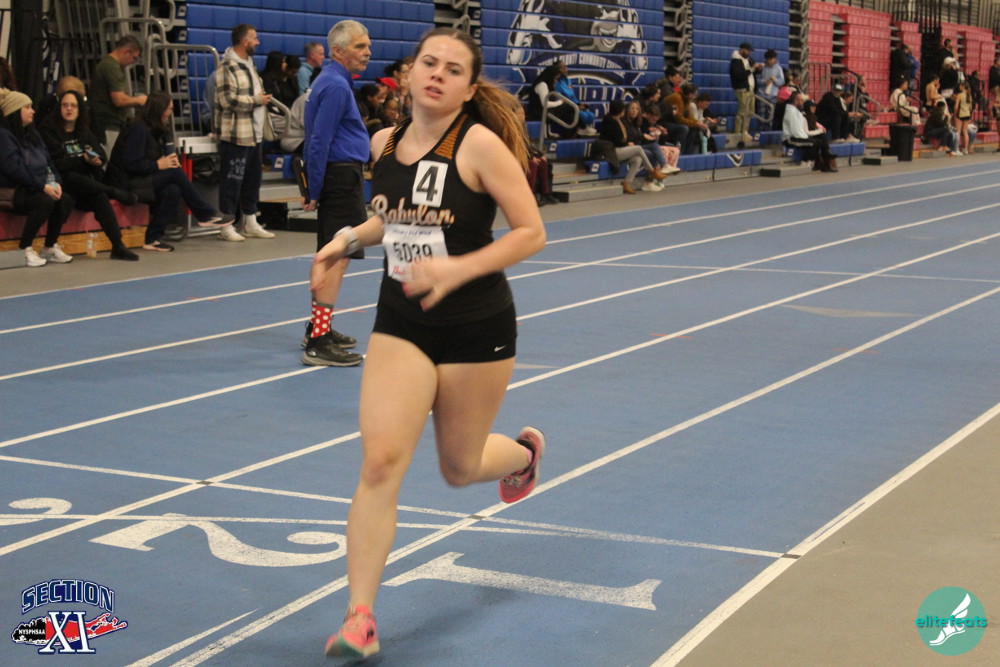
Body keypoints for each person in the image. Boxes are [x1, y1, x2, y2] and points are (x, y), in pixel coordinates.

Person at [318, 27, 546, 660]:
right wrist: (347, 239)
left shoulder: (479, 146)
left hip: (476, 327)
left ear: (469, 88)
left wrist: (455, 269)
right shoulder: (383, 142)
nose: (437, 74)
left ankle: (523, 457)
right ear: (411, 73)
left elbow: (530, 232)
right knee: (380, 462)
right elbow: (393, 217)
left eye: (453, 69)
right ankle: (360, 618)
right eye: (429, 62)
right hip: (403, 321)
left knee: (458, 468)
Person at [300, 20, 372, 367]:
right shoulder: (335, 86)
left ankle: (319, 328)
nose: (368, 52)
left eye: (368, 45)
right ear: (338, 51)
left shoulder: (331, 81)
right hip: (340, 177)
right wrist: (313, 187)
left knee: (336, 254)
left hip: (341, 175)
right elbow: (319, 140)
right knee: (336, 256)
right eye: (360, 46)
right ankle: (318, 341)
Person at [108, 92, 230, 251]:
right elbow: (131, 163)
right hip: (124, 183)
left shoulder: (156, 130)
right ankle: (205, 213)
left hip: (141, 178)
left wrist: (165, 159)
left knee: (173, 189)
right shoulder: (138, 129)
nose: (171, 113)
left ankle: (153, 238)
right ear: (160, 110)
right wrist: (158, 165)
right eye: (169, 109)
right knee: (174, 173)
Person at [39, 90, 140, 261]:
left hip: (85, 187)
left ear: (80, 110)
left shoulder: (84, 131)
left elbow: (101, 155)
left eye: (73, 106)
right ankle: (113, 191)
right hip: (61, 184)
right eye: (65, 105)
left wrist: (96, 160)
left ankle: (118, 245)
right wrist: (83, 160)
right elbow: (58, 164)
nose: (69, 109)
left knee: (99, 196)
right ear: (59, 108)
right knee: (72, 177)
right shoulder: (48, 130)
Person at [214, 23, 276, 242]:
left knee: (252, 181)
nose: (258, 42)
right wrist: (255, 100)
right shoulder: (227, 66)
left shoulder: (249, 64)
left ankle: (250, 221)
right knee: (232, 181)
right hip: (236, 135)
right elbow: (226, 100)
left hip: (254, 134)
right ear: (244, 41)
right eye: (254, 38)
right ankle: (226, 225)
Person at [0, 90, 75, 267]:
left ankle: (49, 247)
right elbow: (15, 169)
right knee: (44, 201)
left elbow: (48, 163)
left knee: (64, 200)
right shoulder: (3, 136)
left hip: (33, 187)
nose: (32, 111)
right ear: (14, 111)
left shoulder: (33, 135)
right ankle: (25, 248)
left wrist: (55, 182)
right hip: (11, 191)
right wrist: (42, 186)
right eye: (27, 107)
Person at [89, 34, 148, 152]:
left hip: (106, 122)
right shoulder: (112, 68)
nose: (133, 62)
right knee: (110, 157)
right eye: (134, 58)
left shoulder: (109, 65)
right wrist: (140, 100)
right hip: (108, 123)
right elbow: (119, 100)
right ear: (127, 52)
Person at [598, 99, 666, 194]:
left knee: (637, 159)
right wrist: (627, 144)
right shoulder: (611, 122)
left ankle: (627, 183)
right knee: (638, 148)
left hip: (616, 149)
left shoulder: (617, 121)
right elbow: (616, 140)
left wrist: (626, 143)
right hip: (610, 152)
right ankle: (651, 170)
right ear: (620, 111)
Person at [782, 92, 837, 172]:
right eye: (801, 100)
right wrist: (807, 138)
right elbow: (796, 132)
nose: (803, 103)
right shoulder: (792, 112)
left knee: (819, 139)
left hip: (797, 136)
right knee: (815, 142)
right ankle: (805, 163)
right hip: (791, 139)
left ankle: (822, 161)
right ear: (796, 101)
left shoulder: (796, 112)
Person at [624, 99, 668, 190]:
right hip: (629, 147)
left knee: (653, 148)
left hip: (638, 146)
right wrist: (644, 135)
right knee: (651, 152)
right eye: (632, 108)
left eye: (636, 109)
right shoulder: (625, 122)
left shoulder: (636, 122)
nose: (634, 111)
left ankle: (651, 179)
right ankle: (653, 173)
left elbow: (639, 137)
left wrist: (653, 134)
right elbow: (629, 137)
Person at [729, 41, 762, 147]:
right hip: (742, 89)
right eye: (748, 51)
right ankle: (738, 133)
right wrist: (752, 69)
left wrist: (759, 69)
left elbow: (753, 72)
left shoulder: (749, 59)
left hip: (750, 90)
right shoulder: (735, 61)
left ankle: (745, 131)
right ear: (742, 49)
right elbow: (739, 75)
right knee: (742, 111)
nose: (749, 53)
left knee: (750, 112)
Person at [551, 61, 597, 135]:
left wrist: (579, 104)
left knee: (590, 115)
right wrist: (576, 107)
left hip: (574, 105)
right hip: (565, 108)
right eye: (562, 68)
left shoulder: (568, 81)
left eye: (565, 67)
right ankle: (582, 128)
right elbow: (558, 100)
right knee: (581, 115)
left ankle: (581, 128)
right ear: (556, 69)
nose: (565, 69)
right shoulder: (555, 83)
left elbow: (573, 96)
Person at [756, 49, 784, 116]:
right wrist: (764, 82)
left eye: (771, 59)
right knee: (761, 116)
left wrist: (775, 80)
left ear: (775, 59)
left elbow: (782, 82)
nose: (770, 61)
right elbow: (756, 80)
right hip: (761, 95)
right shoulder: (761, 67)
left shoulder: (779, 69)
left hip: (773, 96)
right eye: (768, 59)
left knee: (770, 117)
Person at [952, 81, 972, 153]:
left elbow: (956, 106)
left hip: (960, 114)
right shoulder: (969, 96)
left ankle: (956, 148)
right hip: (967, 114)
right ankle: (965, 149)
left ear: (963, 87)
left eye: (960, 86)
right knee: (965, 131)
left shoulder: (960, 95)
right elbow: (970, 108)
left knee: (958, 131)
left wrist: (955, 114)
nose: (959, 87)